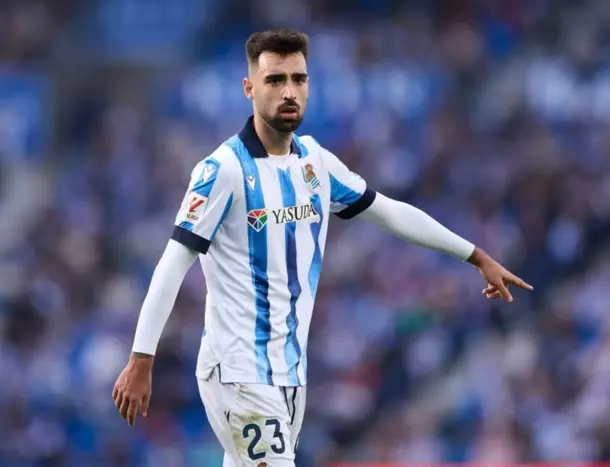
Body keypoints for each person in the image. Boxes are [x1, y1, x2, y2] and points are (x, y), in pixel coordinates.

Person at [112, 28, 533, 466]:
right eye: (275, 80)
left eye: (298, 79)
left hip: (291, 373)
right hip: (238, 372)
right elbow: (173, 261)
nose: (289, 91)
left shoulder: (315, 163)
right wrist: (142, 357)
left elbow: (388, 211)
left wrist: (474, 254)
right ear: (249, 88)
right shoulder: (223, 170)